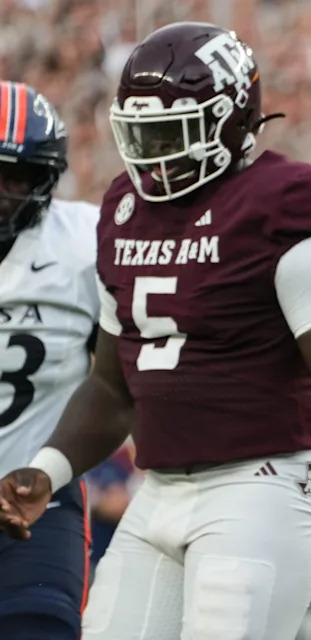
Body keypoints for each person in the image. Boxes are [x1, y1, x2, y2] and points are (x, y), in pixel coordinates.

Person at [0, 22, 311, 639]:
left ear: (234, 121)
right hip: (160, 489)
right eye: (142, 132)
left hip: (265, 484)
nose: (153, 151)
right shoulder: (124, 211)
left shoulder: (282, 205)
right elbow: (111, 386)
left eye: (171, 132)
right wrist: (47, 470)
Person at [0, 81, 99, 639]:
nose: (1, 193)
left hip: (38, 499)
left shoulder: (83, 243)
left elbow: (114, 384)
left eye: (16, 177)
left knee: (38, 628)